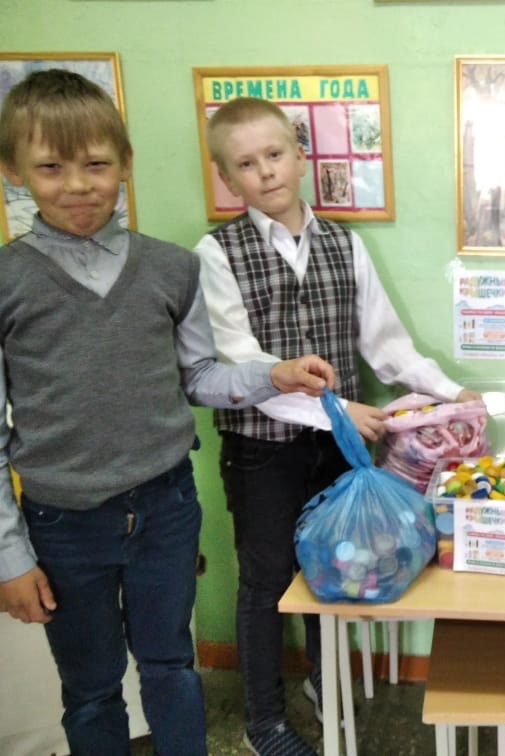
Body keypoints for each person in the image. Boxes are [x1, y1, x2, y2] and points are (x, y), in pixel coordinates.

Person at [0, 70, 337, 756]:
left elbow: (200, 376)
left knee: (172, 666)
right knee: (91, 688)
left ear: (125, 163)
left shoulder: (170, 268)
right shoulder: (9, 279)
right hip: (64, 522)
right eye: (52, 167)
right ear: (14, 171)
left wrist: (271, 374)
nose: (78, 185)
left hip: (166, 507)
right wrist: (9, 556)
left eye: (97, 164)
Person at [194, 96, 480, 756]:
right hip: (260, 450)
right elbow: (241, 364)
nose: (265, 172)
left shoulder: (344, 244)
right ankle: (264, 720)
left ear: (300, 156)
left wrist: (451, 391)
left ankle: (327, 684)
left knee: (339, 568)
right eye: (246, 164)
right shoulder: (216, 252)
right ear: (226, 177)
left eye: (274, 154)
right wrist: (337, 408)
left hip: (338, 450)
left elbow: (386, 345)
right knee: (266, 582)